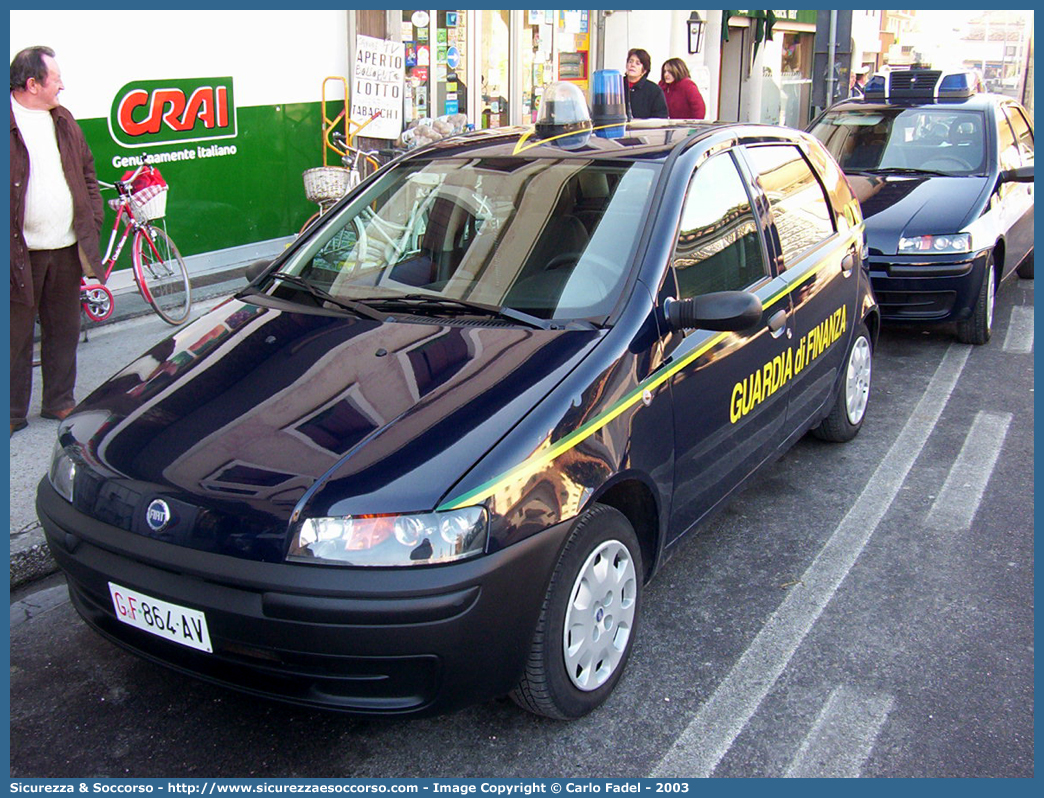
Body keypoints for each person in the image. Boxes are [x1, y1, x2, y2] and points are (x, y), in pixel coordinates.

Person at [10, 46, 104, 436]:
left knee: (64, 328)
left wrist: (92, 218)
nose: (62, 84)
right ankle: (12, 412)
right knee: (13, 334)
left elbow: (87, 171)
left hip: (65, 247)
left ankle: (59, 402)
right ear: (33, 84)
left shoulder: (63, 120)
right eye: (56, 78)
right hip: (19, 252)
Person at [624, 48, 668, 119]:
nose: (632, 65)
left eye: (637, 63)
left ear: (644, 70)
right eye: (630, 62)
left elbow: (660, 117)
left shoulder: (654, 90)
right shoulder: (617, 85)